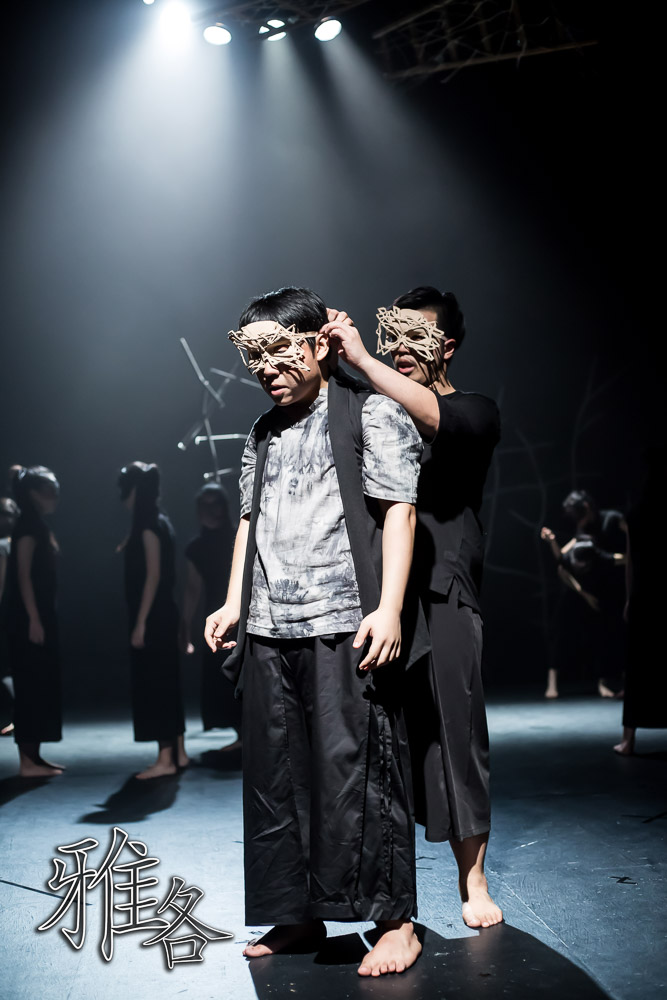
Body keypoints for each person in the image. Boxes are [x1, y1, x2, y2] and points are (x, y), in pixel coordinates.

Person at [205, 287, 427, 977]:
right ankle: (297, 914)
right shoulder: (261, 431)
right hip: (270, 627)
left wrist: (389, 608)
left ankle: (395, 922)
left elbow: (399, 511)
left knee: (359, 772)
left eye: (279, 353)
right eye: (255, 359)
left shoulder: (371, 412)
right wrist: (232, 602)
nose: (267, 370)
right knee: (277, 779)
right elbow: (250, 518)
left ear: (316, 345)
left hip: (343, 621)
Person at [323, 286, 503, 930]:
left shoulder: (475, 410)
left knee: (455, 734)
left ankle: (473, 879)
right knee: (378, 741)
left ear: (446, 346)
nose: (399, 349)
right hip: (376, 595)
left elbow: (434, 416)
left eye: (414, 337)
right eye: (390, 336)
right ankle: (386, 897)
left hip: (444, 590)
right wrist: (330, 354)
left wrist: (363, 360)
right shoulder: (377, 404)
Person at [118, 462, 188, 779]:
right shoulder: (160, 523)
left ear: (135, 491)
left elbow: (154, 575)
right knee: (167, 682)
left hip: (154, 616)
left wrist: (141, 622)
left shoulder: (148, 527)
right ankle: (178, 753)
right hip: (163, 613)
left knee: (156, 683)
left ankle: (165, 759)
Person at [6, 467, 64, 776]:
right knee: (30, 683)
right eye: (49, 490)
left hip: (40, 613)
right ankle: (27, 762)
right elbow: (23, 575)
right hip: (29, 617)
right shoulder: (27, 527)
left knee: (41, 683)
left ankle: (35, 757)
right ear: (33, 494)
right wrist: (33, 618)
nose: (55, 496)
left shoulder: (37, 525)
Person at [541, 490, 626, 699]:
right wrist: (552, 541)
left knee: (604, 633)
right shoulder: (582, 531)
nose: (578, 521)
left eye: (578, 515)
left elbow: (618, 555)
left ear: (587, 508)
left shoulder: (611, 519)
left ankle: (604, 681)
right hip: (580, 588)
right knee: (560, 630)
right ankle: (552, 682)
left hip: (604, 585)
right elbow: (562, 560)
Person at [614, 446, 667, 754]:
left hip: (645, 595)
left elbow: (631, 563)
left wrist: (629, 599)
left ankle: (628, 740)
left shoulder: (636, 513)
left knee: (638, 665)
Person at [181, 482, 241, 747]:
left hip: (242, 613)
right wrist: (184, 626)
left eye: (215, 504)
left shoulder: (238, 537)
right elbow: (192, 589)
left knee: (240, 671)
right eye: (205, 506)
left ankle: (244, 734)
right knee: (220, 673)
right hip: (214, 617)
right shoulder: (197, 547)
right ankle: (239, 735)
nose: (211, 511)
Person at [0, 497, 20, 735]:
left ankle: (20, 715)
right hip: (16, 611)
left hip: (9, 612)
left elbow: (1, 583)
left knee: (9, 667)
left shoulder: (5, 545)